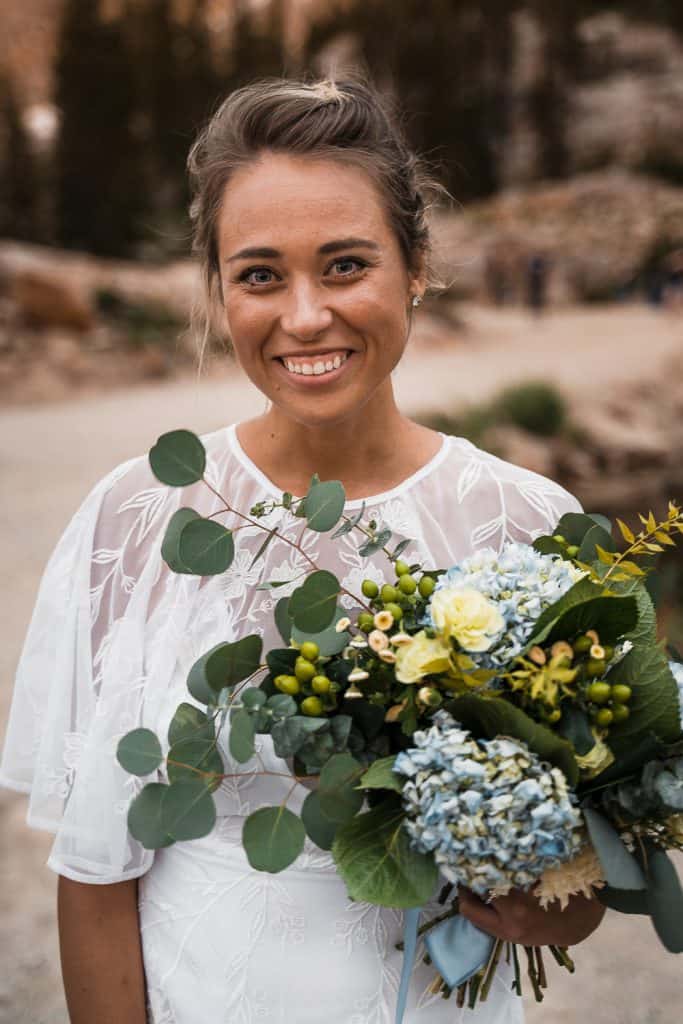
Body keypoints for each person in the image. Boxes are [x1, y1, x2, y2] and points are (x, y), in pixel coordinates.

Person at [0, 75, 604, 1023]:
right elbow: (94, 876)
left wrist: (543, 905)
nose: (305, 316)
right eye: (259, 275)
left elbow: (584, 885)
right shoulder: (137, 519)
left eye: (345, 265)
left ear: (415, 265)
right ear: (220, 292)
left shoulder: (524, 521)